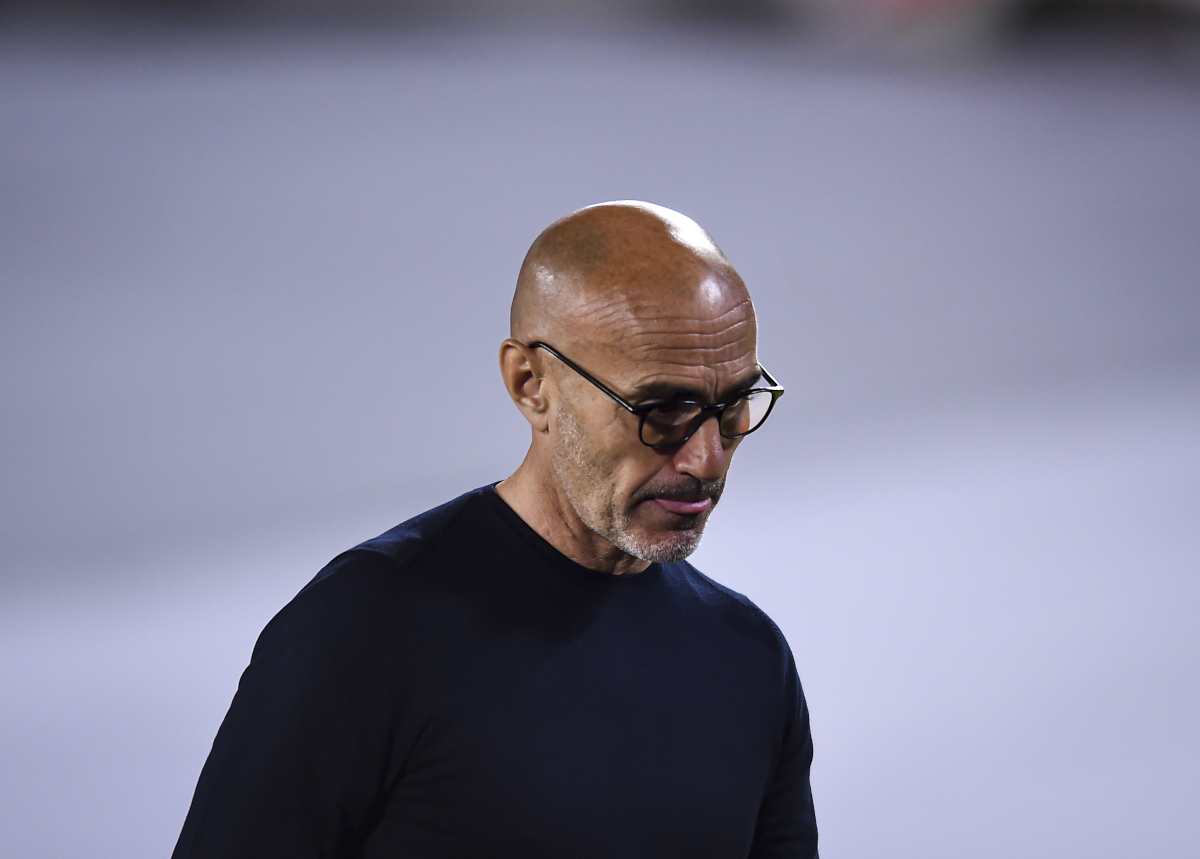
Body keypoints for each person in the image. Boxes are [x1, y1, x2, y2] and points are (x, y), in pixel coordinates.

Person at [172, 201, 818, 858]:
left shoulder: (750, 661)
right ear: (531, 383)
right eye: (664, 410)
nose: (707, 458)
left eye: (734, 405)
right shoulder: (363, 628)